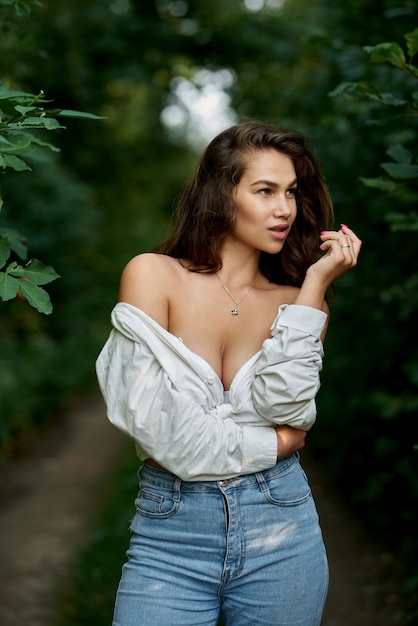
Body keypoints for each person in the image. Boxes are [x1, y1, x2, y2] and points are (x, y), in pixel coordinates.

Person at [96, 120, 361, 626]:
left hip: (283, 529)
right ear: (222, 194)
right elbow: (166, 436)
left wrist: (314, 286)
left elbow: (285, 409)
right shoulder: (152, 275)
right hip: (170, 539)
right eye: (264, 191)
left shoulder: (300, 302)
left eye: (291, 192)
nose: (284, 208)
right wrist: (274, 444)